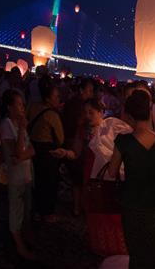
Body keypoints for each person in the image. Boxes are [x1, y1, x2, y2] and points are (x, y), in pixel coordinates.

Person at [107, 90, 155, 269]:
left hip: (132, 205)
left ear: (129, 116)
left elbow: (112, 172)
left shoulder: (123, 141)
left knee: (138, 254)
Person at [28, 81, 72, 222]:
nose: (59, 99)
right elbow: (60, 138)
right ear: (48, 98)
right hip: (48, 152)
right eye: (57, 96)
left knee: (37, 181)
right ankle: (47, 213)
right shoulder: (52, 115)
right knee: (49, 182)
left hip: (33, 148)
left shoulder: (33, 107)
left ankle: (35, 210)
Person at [0, 89, 36, 260]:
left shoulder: (19, 124)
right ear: (9, 107)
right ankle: (19, 247)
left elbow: (31, 151)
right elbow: (18, 153)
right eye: (19, 105)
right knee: (16, 211)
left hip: (26, 175)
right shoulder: (7, 125)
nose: (23, 108)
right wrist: (22, 129)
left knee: (25, 210)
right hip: (15, 178)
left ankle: (24, 238)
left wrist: (23, 153)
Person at [63, 78, 93, 216]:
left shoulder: (71, 102)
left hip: (72, 141)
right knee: (80, 178)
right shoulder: (80, 106)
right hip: (76, 142)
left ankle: (77, 207)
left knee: (77, 179)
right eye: (89, 90)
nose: (91, 93)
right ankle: (80, 206)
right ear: (82, 90)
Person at [82, 96, 132, 179]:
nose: (87, 116)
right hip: (89, 173)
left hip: (107, 175)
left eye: (91, 113)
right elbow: (76, 151)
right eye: (85, 112)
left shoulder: (111, 126)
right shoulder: (83, 130)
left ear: (100, 112)